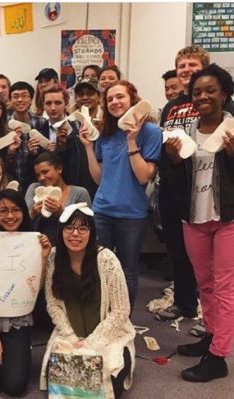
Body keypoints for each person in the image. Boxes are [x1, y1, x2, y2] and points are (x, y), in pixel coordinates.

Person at [165, 64, 234, 383]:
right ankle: (210, 334)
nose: (203, 96)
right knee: (203, 282)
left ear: (225, 93)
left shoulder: (233, 129)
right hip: (193, 217)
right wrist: (175, 160)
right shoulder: (185, 131)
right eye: (197, 92)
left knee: (225, 287)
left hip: (227, 220)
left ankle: (219, 355)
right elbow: (175, 178)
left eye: (210, 90)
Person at [80, 80, 162, 309]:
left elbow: (144, 176)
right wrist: (88, 147)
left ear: (133, 99)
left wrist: (132, 140)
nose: (115, 102)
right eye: (110, 99)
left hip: (132, 215)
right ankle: (99, 318)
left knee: (127, 269)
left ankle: (122, 322)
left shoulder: (152, 132)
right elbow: (99, 178)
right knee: (97, 267)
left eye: (120, 97)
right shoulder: (105, 133)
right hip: (102, 210)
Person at [40, 203, 135, 399]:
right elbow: (53, 304)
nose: (75, 233)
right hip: (70, 335)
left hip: (108, 335)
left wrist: (92, 343)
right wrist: (72, 339)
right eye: (69, 227)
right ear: (61, 230)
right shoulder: (55, 257)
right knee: (62, 384)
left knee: (106, 385)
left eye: (83, 228)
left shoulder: (106, 259)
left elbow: (121, 310)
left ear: (91, 232)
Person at [0, 189, 51, 396]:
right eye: (3, 211)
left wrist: (42, 257)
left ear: (24, 212)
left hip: (17, 319)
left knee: (14, 387)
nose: (10, 216)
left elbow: (36, 289)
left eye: (15, 210)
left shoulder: (32, 241)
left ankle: (20, 348)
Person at [156, 46, 213, 327]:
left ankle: (210, 314)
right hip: (172, 186)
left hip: (205, 188)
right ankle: (185, 303)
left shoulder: (217, 101)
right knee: (177, 250)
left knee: (208, 256)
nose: (186, 70)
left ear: (204, 67)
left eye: (192, 64)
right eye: (182, 66)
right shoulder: (170, 106)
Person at [40, 85, 98, 198]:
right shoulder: (39, 130)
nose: (52, 108)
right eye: (48, 103)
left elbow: (83, 163)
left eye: (58, 103)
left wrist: (63, 146)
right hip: (48, 191)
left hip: (77, 189)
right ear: (43, 105)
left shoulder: (79, 127)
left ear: (65, 103)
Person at [25, 152, 91, 246]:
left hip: (69, 246)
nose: (41, 178)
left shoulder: (80, 193)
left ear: (59, 168)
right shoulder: (34, 189)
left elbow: (86, 226)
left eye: (45, 172)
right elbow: (23, 222)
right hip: (39, 244)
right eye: (38, 175)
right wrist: (33, 213)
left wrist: (62, 213)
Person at [4, 81, 47, 194]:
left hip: (36, 182)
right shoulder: (4, 124)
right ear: (10, 100)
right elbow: (2, 159)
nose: (20, 100)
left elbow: (48, 155)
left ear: (31, 99)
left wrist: (35, 153)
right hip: (11, 181)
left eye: (24, 96)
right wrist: (11, 151)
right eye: (15, 96)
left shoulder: (41, 123)